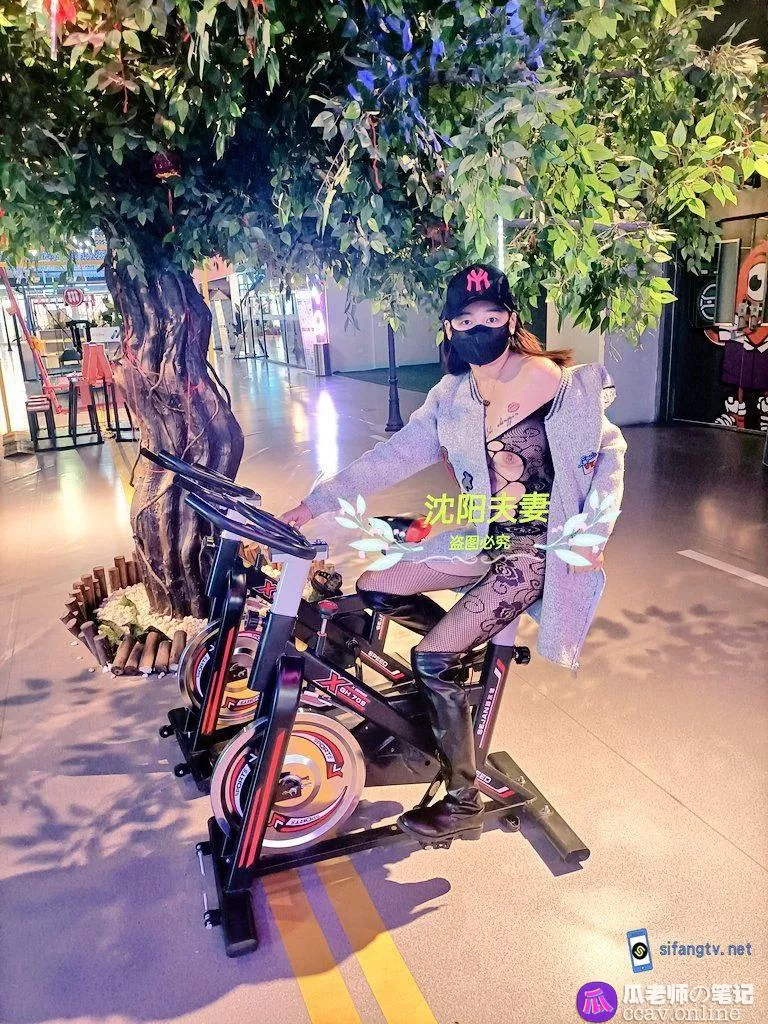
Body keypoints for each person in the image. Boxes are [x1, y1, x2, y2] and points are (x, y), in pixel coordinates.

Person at [281, 264, 627, 843]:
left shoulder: (560, 384)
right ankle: (457, 669)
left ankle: (463, 797)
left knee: (430, 658)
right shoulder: (452, 397)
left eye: (492, 317)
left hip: (539, 547)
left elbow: (610, 454)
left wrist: (596, 532)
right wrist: (312, 505)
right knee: (375, 584)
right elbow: (390, 458)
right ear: (449, 327)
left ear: (511, 320)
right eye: (465, 321)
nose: (479, 329)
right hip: (483, 537)